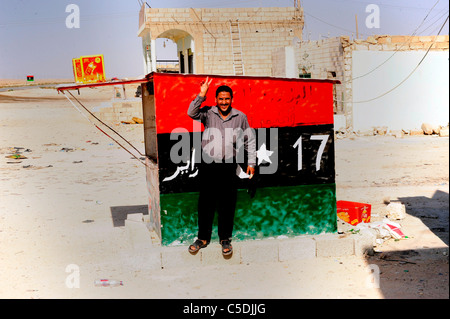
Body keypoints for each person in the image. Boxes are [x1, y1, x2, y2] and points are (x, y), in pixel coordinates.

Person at [187, 77, 256, 256]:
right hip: (208, 165)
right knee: (206, 203)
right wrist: (202, 94)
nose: (224, 102)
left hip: (228, 166)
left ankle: (225, 239)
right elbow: (191, 113)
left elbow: (250, 140)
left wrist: (251, 163)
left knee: (227, 203)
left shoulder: (240, 117)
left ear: (231, 99)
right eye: (221, 99)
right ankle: (202, 238)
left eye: (227, 99)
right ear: (216, 100)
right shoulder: (208, 113)